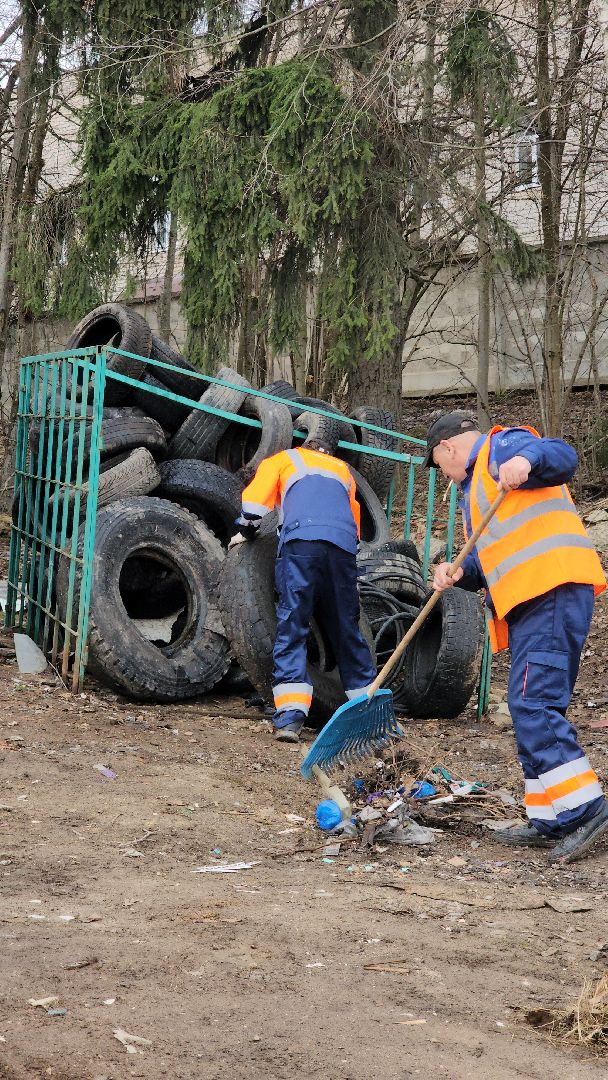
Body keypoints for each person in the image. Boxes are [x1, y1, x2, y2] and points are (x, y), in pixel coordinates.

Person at [425, 410, 607, 865]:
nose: (445, 476)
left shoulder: (499, 449)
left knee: (532, 703)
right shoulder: (479, 492)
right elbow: (494, 557)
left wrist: (526, 460)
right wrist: (460, 571)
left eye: (439, 465)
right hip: (532, 599)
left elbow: (561, 455)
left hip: (552, 588)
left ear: (448, 448)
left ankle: (587, 810)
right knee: (532, 701)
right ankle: (550, 816)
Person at [229, 436, 376, 743]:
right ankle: (365, 714)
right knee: (346, 626)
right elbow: (355, 520)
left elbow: (255, 504)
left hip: (302, 541)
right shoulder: (342, 470)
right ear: (329, 452)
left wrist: (245, 530)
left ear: (303, 447)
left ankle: (291, 718)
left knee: (294, 620)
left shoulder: (285, 459)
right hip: (343, 547)